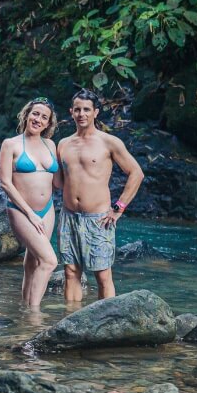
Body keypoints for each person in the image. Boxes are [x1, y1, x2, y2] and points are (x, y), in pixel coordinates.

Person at [55, 89, 145, 301]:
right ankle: (72, 325)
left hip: (99, 219)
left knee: (103, 275)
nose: (81, 114)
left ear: (96, 112)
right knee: (70, 273)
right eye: (77, 109)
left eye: (87, 109)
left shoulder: (109, 142)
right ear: (71, 112)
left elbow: (136, 173)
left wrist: (119, 208)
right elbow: (57, 181)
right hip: (68, 217)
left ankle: (107, 326)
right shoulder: (63, 144)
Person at [0, 97, 60, 310]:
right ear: (26, 114)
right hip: (21, 210)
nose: (38, 119)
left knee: (34, 260)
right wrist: (30, 213)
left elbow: (58, 180)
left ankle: (25, 306)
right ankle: (34, 314)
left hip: (48, 209)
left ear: (48, 123)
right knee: (50, 261)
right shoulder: (10, 144)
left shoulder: (50, 144)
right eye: (35, 114)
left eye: (44, 117)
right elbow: (6, 183)